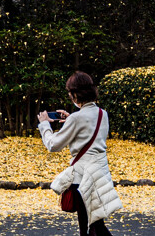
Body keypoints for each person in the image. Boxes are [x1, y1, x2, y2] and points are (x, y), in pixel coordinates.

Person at [38, 71, 122, 236]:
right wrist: (70, 119)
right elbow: (90, 133)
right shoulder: (102, 114)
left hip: (83, 177)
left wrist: (45, 125)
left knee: (87, 226)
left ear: (76, 94)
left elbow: (53, 145)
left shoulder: (76, 119)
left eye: (70, 94)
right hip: (101, 174)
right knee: (97, 224)